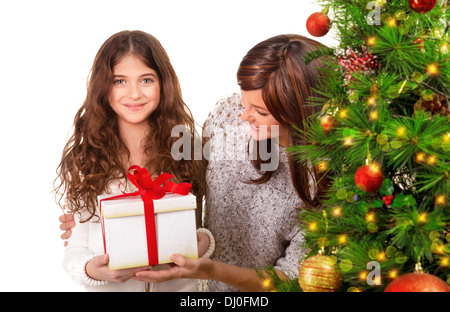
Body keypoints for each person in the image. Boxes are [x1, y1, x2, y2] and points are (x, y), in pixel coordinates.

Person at [60, 34, 328, 292]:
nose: (243, 115)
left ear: (301, 112)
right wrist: (88, 225)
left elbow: (294, 279)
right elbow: (191, 212)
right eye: (242, 100)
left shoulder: (325, 179)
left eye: (260, 111)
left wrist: (208, 263)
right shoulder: (226, 116)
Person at [54, 30, 214, 292]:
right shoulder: (86, 160)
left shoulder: (187, 150)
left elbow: (203, 227)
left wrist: (204, 243)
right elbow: (76, 246)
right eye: (119, 81)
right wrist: (91, 270)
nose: (134, 93)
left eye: (146, 80)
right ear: (102, 86)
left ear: (164, 83)